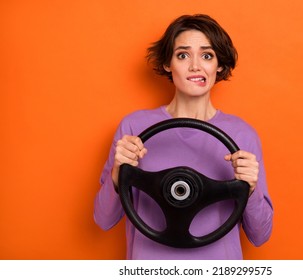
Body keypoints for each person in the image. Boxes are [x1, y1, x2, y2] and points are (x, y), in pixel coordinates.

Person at [94, 14, 273, 260]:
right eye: (183, 55)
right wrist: (117, 172)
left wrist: (250, 189)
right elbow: (103, 220)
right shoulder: (134, 128)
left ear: (219, 65)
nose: (195, 66)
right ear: (168, 63)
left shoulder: (242, 134)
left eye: (207, 56)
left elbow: (260, 235)